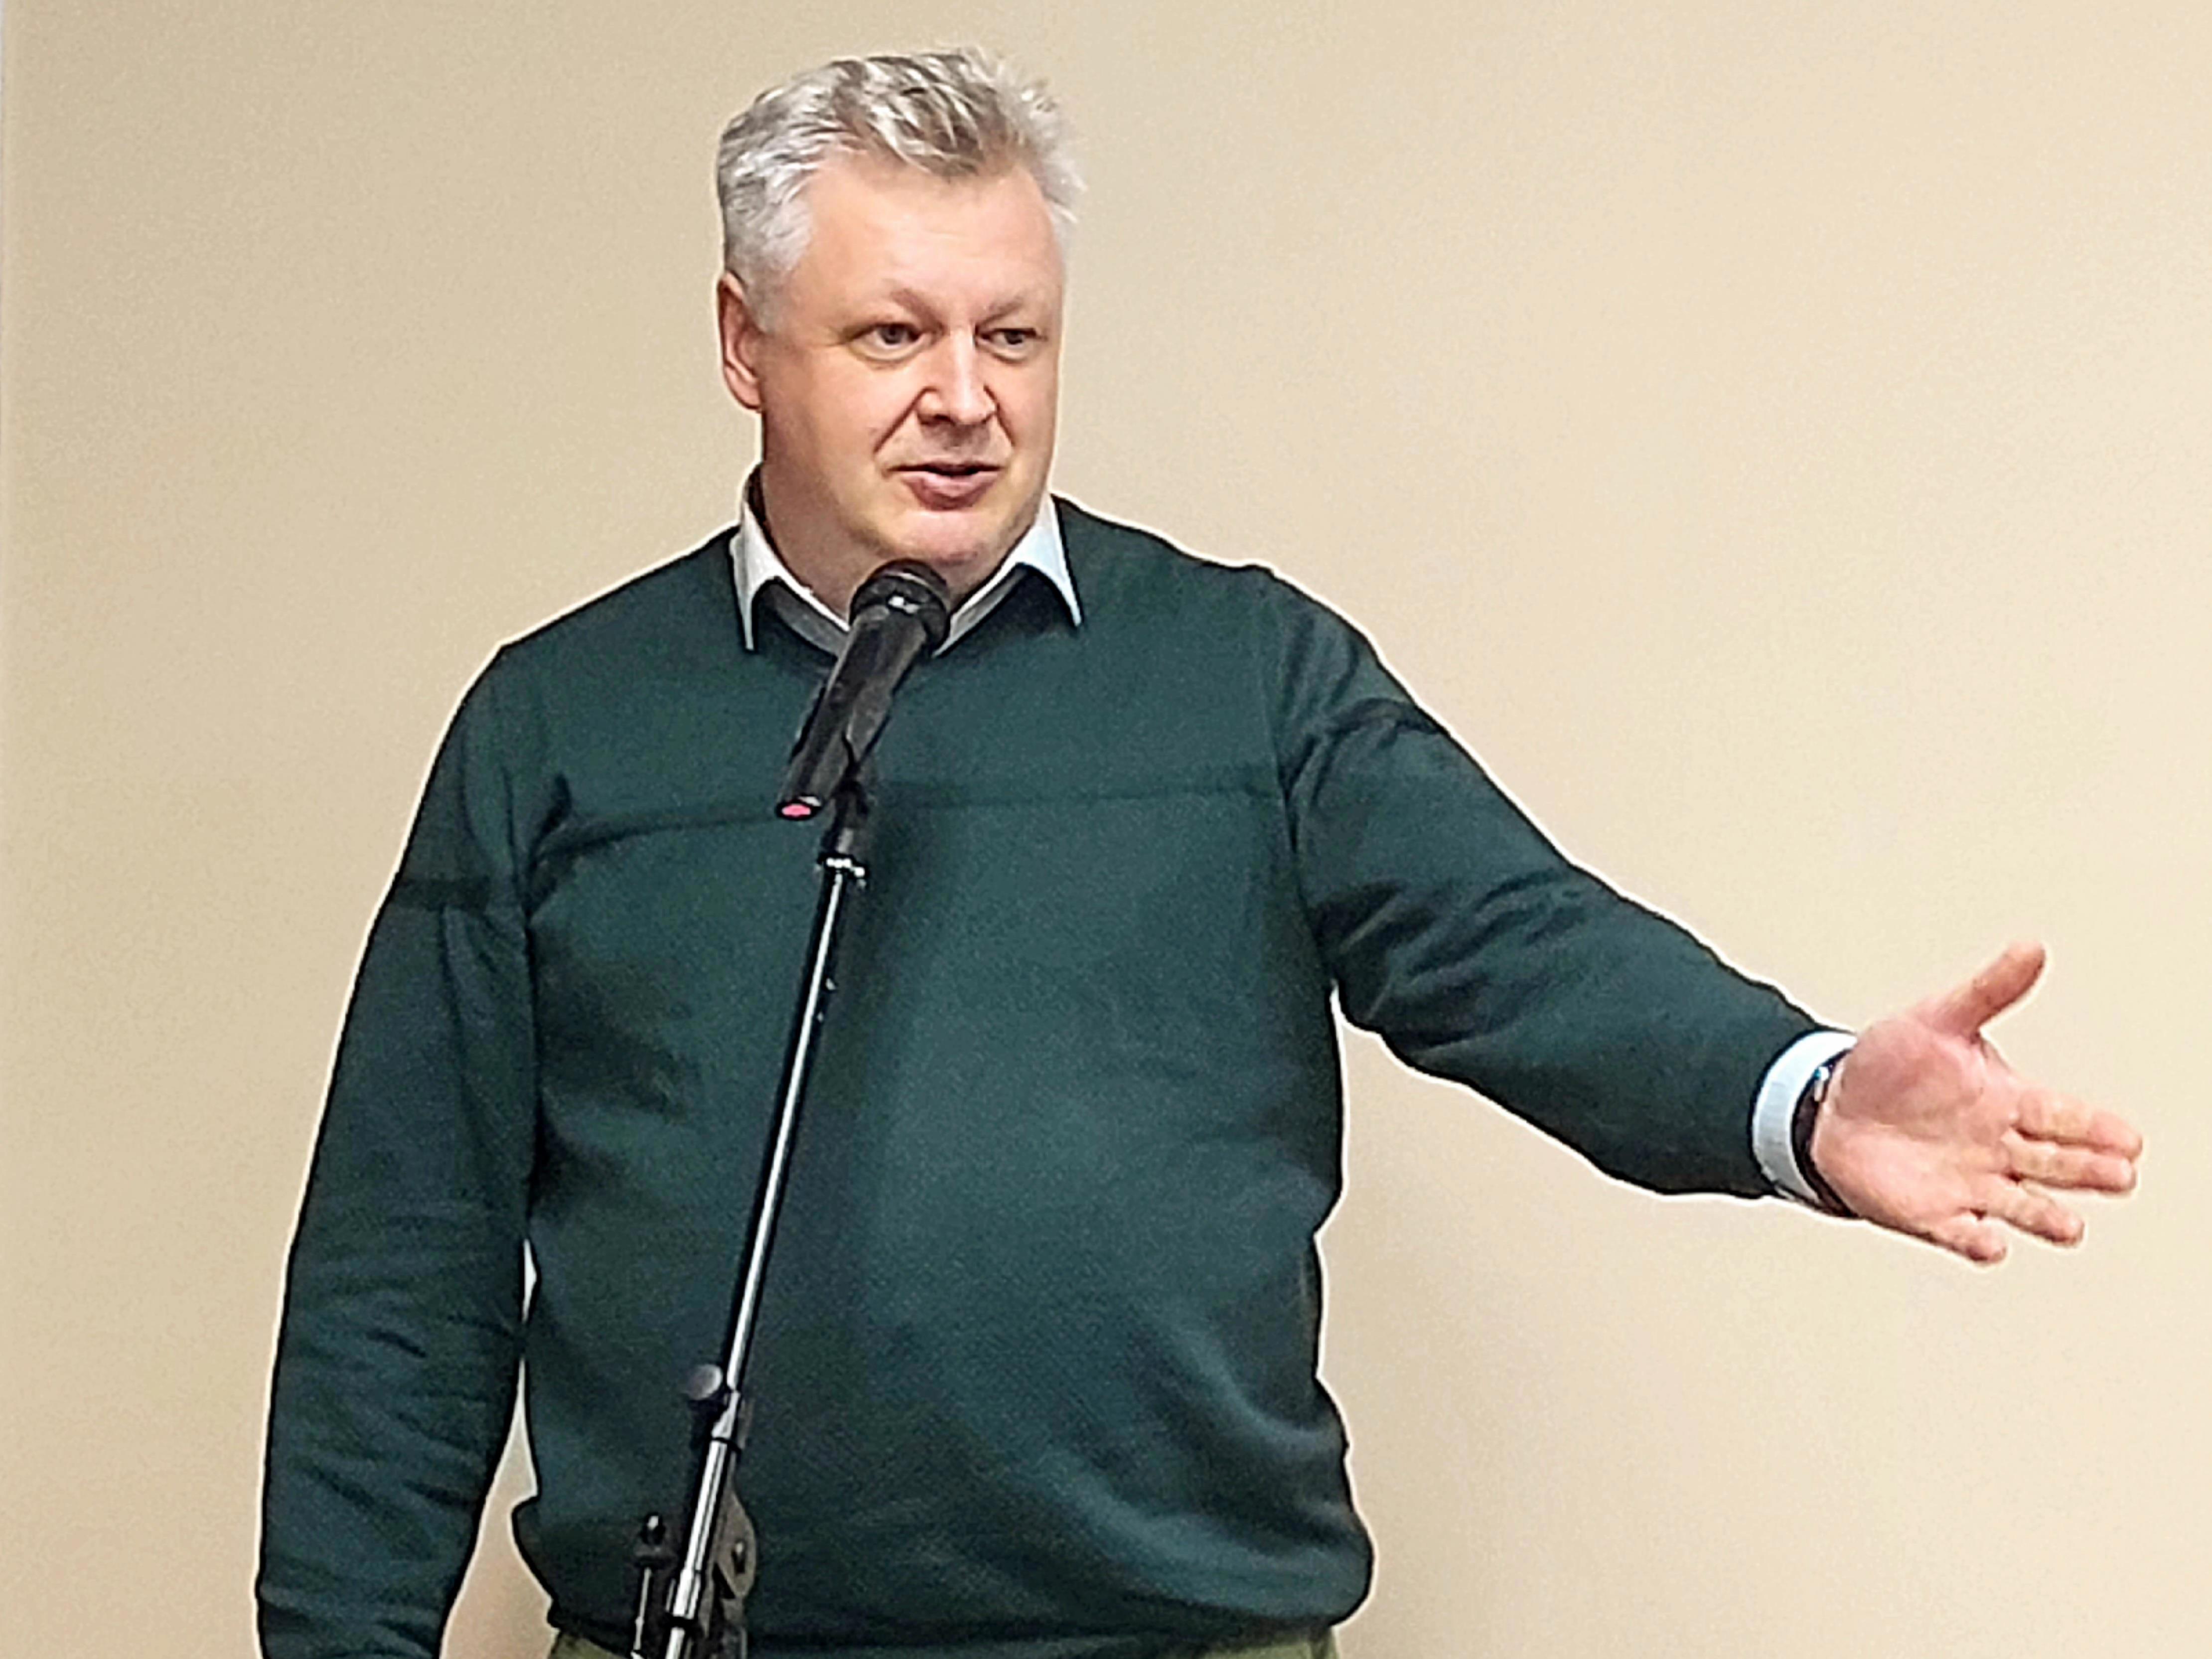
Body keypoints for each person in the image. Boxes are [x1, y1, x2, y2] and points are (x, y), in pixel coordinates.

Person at [257, 47, 2143, 1659]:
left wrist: (1799, 1094)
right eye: (894, 334)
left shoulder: (1241, 673)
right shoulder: (564, 723)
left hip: (1185, 1631)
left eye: (1013, 334)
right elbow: (403, 1261)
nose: (966, 393)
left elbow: (1519, 945)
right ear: (747, 345)